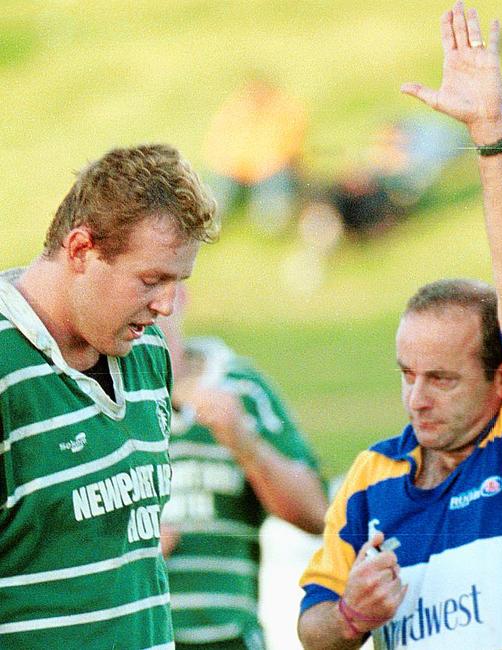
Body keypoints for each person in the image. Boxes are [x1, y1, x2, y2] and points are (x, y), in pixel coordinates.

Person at [298, 4, 502, 649]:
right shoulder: (370, 478)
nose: (417, 397)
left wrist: (490, 131)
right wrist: (352, 616)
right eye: (408, 375)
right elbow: (314, 630)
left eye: (442, 378)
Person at [0, 144, 218, 649]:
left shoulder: (149, 355)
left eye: (178, 282)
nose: (166, 305)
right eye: (151, 279)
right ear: (80, 250)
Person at [158, 295, 328, 650]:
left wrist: (243, 443)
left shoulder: (242, 387)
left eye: (163, 284)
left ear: (181, 296)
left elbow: (317, 514)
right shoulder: (91, 390)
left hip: (229, 637)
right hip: (134, 635)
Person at [203, 78, 308, 234]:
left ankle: (272, 219)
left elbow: (291, 147)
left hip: (270, 170)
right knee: (218, 188)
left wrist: (267, 165)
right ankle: (207, 218)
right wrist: (231, 165)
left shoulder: (286, 111)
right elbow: (216, 145)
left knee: (271, 214)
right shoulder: (235, 111)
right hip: (235, 171)